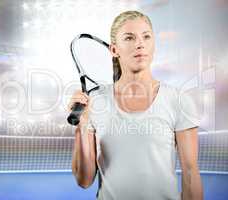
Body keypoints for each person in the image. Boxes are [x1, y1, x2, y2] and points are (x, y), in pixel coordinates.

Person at [69, 10, 203, 200]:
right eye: (129, 38)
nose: (140, 43)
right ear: (114, 50)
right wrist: (82, 125)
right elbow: (84, 180)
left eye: (146, 37)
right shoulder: (95, 103)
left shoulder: (179, 101)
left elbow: (191, 176)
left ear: (153, 44)